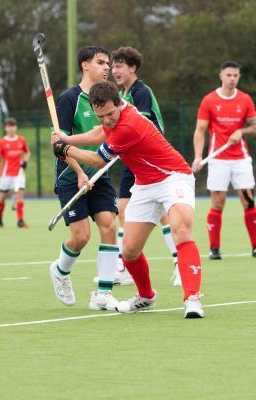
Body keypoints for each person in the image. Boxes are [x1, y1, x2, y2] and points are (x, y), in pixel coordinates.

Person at [53, 81, 204, 318]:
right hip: (144, 184)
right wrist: (67, 138)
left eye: (110, 114)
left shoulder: (129, 125)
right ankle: (146, 297)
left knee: (181, 229)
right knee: (130, 250)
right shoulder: (113, 118)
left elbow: (97, 161)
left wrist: (65, 150)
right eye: (100, 115)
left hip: (173, 177)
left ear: (119, 104)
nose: (106, 120)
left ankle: (192, 299)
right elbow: (99, 132)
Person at [50, 45, 119, 311]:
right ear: (84, 65)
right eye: (101, 62)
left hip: (100, 174)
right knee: (81, 237)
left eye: (108, 64)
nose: (106, 68)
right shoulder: (69, 99)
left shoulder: (108, 97)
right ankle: (60, 271)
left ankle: (103, 292)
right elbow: (59, 146)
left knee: (109, 225)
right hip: (71, 176)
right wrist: (79, 173)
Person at [111, 46, 181, 286]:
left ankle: (179, 262)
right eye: (113, 65)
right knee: (122, 209)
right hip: (132, 160)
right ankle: (124, 266)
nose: (114, 70)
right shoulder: (122, 95)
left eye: (119, 65)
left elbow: (141, 126)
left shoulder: (142, 92)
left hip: (151, 159)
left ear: (133, 67)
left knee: (162, 214)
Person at [192, 60, 256, 260]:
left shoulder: (245, 100)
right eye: (228, 75)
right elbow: (200, 130)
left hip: (241, 159)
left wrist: (241, 131)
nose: (232, 79)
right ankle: (214, 249)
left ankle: (255, 246)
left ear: (239, 77)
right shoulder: (209, 100)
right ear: (221, 76)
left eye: (236, 75)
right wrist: (198, 156)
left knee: (249, 202)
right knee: (217, 204)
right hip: (218, 159)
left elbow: (254, 126)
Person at [0, 117, 30, 228]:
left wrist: (25, 161)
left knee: (20, 197)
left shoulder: (21, 140)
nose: (11, 128)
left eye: (13, 126)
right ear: (5, 128)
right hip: (6, 174)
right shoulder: (2, 142)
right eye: (9, 126)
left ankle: (20, 220)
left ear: (16, 127)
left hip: (19, 174)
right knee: (1, 197)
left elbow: (27, 153)